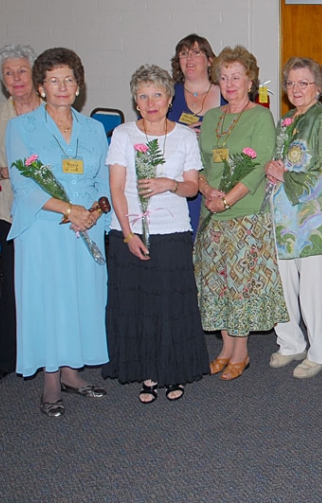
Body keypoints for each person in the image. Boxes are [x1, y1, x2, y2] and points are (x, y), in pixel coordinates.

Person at [6, 47, 111, 417]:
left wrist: (95, 212)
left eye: (69, 79)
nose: (62, 86)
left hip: (88, 229)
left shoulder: (95, 128)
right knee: (50, 302)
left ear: (79, 86)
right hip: (44, 229)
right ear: (41, 87)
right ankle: (51, 378)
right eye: (54, 80)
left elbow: (104, 181)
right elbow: (24, 185)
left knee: (81, 299)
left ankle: (71, 372)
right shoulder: (21, 127)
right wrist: (70, 210)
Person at [100, 65, 210, 402]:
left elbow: (192, 188)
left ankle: (173, 371)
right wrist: (128, 234)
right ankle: (147, 373)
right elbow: (116, 188)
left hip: (172, 233)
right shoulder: (123, 135)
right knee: (137, 305)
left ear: (169, 98)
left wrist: (169, 184)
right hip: (129, 233)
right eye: (143, 96)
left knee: (170, 305)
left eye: (157, 95)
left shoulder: (185, 136)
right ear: (135, 101)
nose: (151, 102)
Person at [195, 45, 287, 381]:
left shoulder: (260, 116)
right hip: (212, 214)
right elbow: (199, 163)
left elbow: (259, 167)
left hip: (244, 214)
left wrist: (227, 200)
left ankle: (242, 352)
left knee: (240, 285)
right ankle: (225, 348)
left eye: (237, 77)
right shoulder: (212, 118)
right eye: (224, 77)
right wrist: (206, 190)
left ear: (250, 81)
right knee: (218, 285)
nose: (230, 83)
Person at [266, 57, 322, 378]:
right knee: (282, 284)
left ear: (318, 87)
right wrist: (272, 171)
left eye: (303, 83)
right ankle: (290, 343)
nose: (296, 89)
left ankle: (317, 352)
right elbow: (279, 164)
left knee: (314, 290)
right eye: (290, 83)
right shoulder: (285, 120)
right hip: (283, 218)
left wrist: (287, 178)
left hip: (314, 219)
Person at [0, 44, 42, 383]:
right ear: (2, 80)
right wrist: (12, 172)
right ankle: (8, 357)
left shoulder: (52, 109)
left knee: (49, 287)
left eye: (21, 71)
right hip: (11, 211)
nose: (16, 78)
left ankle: (54, 356)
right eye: (9, 73)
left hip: (53, 213)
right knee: (14, 288)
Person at [168, 34, 222, 235]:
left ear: (209, 60)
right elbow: (151, 132)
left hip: (217, 178)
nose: (189, 59)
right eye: (184, 54)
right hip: (181, 181)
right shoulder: (167, 94)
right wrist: (178, 134)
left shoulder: (227, 92)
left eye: (196, 53)